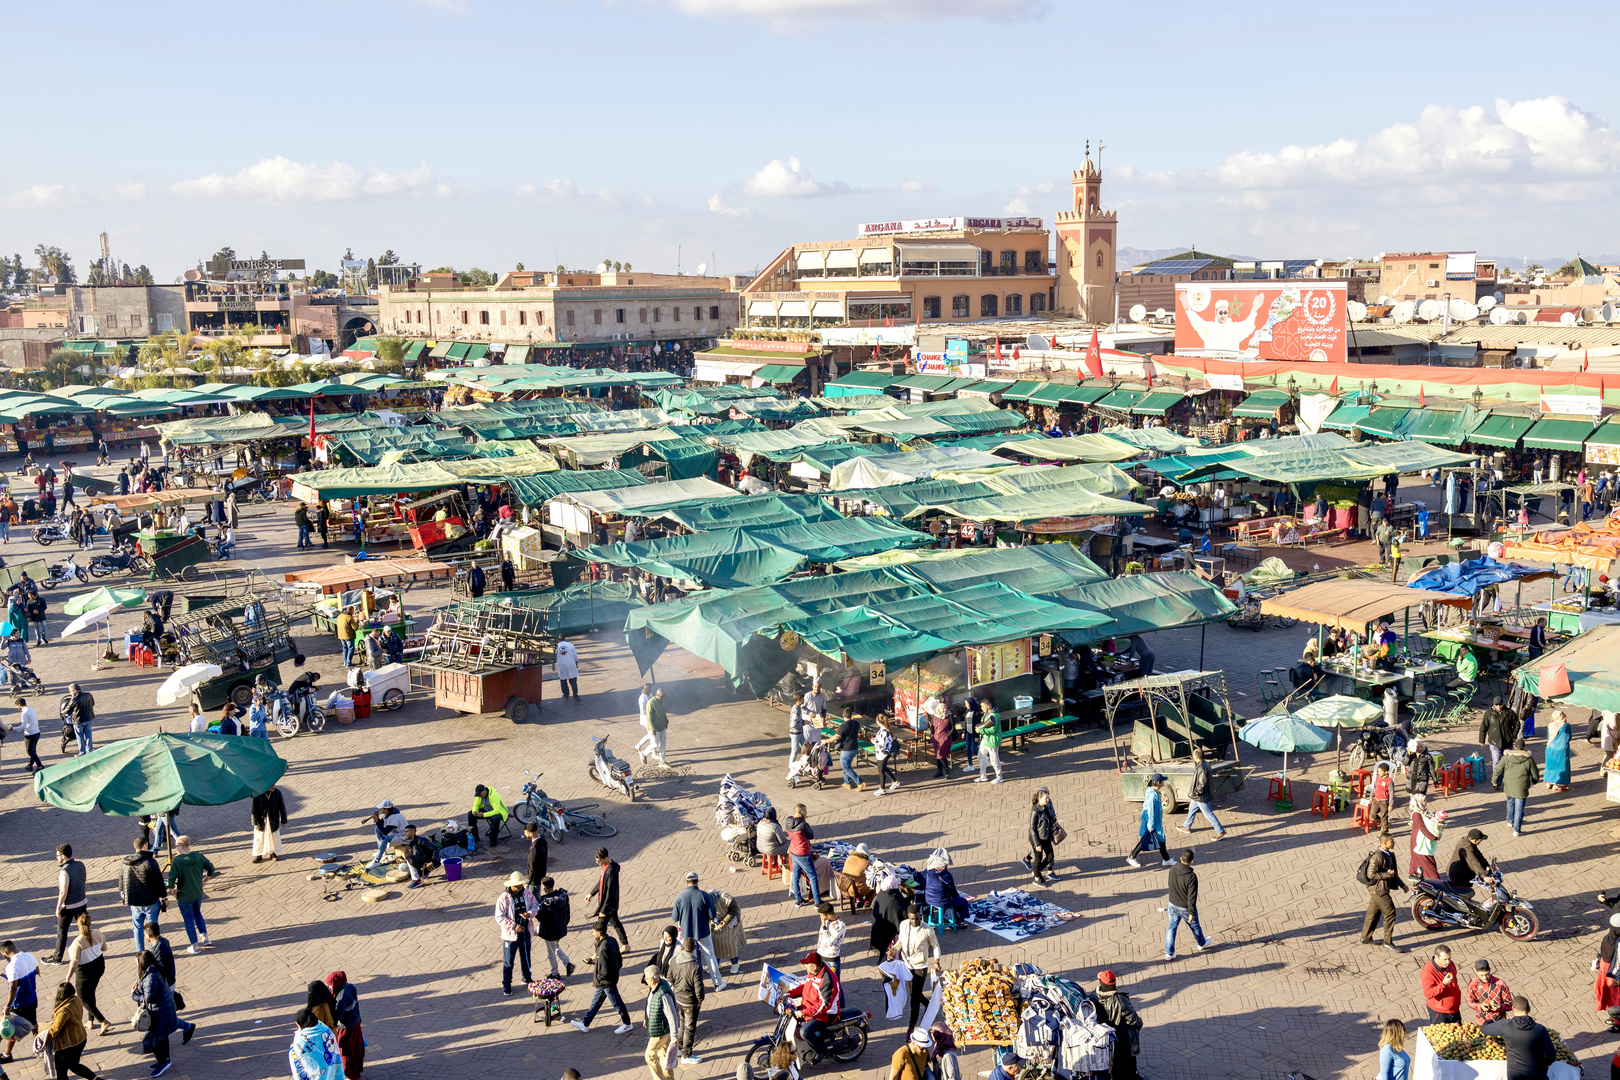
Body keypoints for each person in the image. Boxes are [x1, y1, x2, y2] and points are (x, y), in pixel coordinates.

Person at [132, 948, 189, 1077]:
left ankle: (163, 1062)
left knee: (156, 1039)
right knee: (161, 1037)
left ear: (142, 962)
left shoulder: (150, 976)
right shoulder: (153, 970)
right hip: (163, 1010)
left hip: (160, 1011)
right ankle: (163, 1060)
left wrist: (134, 995)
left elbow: (149, 998)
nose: (135, 963)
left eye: (136, 961)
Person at [570, 922, 634, 1034]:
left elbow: (605, 969)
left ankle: (627, 1023)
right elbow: (619, 959)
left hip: (606, 981)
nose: (592, 933)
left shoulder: (604, 948)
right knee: (595, 1002)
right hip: (606, 980)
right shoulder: (611, 940)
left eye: (593, 931)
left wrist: (599, 978)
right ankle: (585, 1023)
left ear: (599, 933)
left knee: (616, 1002)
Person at [1480, 996, 1558, 1080]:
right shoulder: (1540, 1029)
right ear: (1529, 1009)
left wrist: (1489, 1021)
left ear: (1513, 1009)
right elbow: (1551, 1056)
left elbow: (1484, 1029)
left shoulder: (1505, 1026)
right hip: (1537, 1075)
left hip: (1515, 1076)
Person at [783, 951, 841, 1064]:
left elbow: (824, 1005)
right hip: (813, 1007)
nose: (805, 966)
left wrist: (804, 1012)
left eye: (806, 964)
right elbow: (806, 986)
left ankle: (821, 1051)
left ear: (814, 966)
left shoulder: (827, 981)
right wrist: (790, 993)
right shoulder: (814, 972)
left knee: (805, 1031)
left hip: (827, 1014)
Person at [670, 871, 724, 991]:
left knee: (690, 959)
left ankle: (691, 985)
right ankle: (717, 983)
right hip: (703, 932)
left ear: (686, 882)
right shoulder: (704, 896)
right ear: (697, 881)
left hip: (687, 934)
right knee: (710, 956)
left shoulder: (679, 897)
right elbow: (712, 915)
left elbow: (674, 918)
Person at [892, 904, 941, 1036]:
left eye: (917, 919)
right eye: (912, 919)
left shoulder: (927, 930)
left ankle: (911, 1027)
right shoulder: (903, 925)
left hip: (920, 966)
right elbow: (900, 941)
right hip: (907, 965)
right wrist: (894, 949)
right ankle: (928, 1004)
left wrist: (936, 961)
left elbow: (935, 946)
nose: (915, 922)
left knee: (914, 999)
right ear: (908, 917)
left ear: (920, 916)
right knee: (911, 993)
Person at [166, 837, 216, 954]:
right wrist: (204, 880)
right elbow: (211, 869)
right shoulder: (198, 856)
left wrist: (173, 892)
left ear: (182, 846)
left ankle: (194, 946)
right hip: (197, 892)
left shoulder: (177, 861)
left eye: (176, 845)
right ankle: (205, 937)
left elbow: (171, 880)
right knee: (197, 913)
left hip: (184, 895)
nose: (175, 847)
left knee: (188, 919)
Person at [1359, 830, 1407, 952]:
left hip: (1379, 890)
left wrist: (1402, 885)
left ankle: (1366, 937)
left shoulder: (1388, 854)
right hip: (1379, 890)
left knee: (1372, 914)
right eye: (1391, 841)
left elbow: (1393, 873)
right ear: (1385, 843)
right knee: (1390, 913)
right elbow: (1371, 874)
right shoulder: (1377, 856)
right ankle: (1387, 942)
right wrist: (1387, 875)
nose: (1393, 842)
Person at [64, 913, 111, 1035]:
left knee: (83, 998)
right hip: (99, 967)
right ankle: (90, 1021)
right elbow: (104, 948)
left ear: (78, 926)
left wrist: (68, 977)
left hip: (84, 972)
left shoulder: (77, 943)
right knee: (91, 993)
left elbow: (74, 962)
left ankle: (103, 1021)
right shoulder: (98, 933)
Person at [1093, 970, 1143, 1080]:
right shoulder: (1120, 1000)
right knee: (1124, 1062)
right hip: (1121, 1038)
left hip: (1102, 1037)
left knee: (1110, 1063)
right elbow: (1135, 1020)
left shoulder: (1093, 997)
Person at [120, 836, 166, 954]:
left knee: (137, 927)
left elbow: (121, 881)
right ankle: (154, 949)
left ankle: (140, 951)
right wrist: (163, 896)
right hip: (150, 900)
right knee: (152, 926)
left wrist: (123, 896)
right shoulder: (150, 862)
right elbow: (158, 881)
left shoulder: (125, 863)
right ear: (145, 845)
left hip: (134, 900)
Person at [1165, 849, 1212, 960]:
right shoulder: (1191, 876)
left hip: (1172, 903)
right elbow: (1192, 897)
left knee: (1171, 928)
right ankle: (1201, 943)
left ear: (1181, 859)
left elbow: (1170, 884)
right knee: (1195, 925)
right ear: (1192, 861)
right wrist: (1192, 912)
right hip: (1184, 907)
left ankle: (1169, 953)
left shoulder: (1173, 869)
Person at [496, 872, 538, 997]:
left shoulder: (527, 893)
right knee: (509, 961)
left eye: (520, 885)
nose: (519, 888)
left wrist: (529, 914)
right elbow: (499, 917)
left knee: (526, 956)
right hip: (510, 935)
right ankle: (507, 985)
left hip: (525, 931)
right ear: (511, 885)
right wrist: (514, 926)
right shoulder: (503, 898)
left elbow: (536, 905)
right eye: (517, 886)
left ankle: (526, 978)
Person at [48, 843, 90, 965]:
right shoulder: (80, 865)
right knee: (84, 928)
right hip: (82, 902)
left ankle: (57, 958)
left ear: (63, 855)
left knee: (62, 932)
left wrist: (58, 907)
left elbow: (63, 892)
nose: (56, 858)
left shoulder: (64, 872)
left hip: (69, 906)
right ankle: (90, 951)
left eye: (57, 855)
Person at [1493, 735, 1540, 837]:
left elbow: (1498, 770)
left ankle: (1510, 821)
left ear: (1514, 747)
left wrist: (1494, 780)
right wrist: (1535, 781)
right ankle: (1516, 830)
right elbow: (1535, 773)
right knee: (1519, 809)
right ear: (1523, 748)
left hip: (1509, 786)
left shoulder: (1506, 758)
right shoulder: (1529, 760)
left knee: (1510, 803)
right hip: (1521, 788)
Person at [667, 941, 705, 1066]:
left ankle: (680, 1047)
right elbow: (698, 987)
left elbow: (669, 979)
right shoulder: (695, 965)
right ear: (694, 948)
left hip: (678, 998)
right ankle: (687, 1055)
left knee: (682, 1023)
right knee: (690, 1028)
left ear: (683, 948)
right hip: (690, 1001)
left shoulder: (674, 961)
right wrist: (700, 1000)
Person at [1, 940, 39, 1061]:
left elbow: (12, 989)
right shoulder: (29, 956)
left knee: (8, 1029)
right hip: (32, 998)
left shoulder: (11, 967)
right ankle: (41, 1048)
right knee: (34, 1025)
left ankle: (7, 1055)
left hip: (19, 1004)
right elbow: (37, 971)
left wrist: (7, 1007)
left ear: (5, 952)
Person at [1177, 747, 1227, 838]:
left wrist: (1196, 792)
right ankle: (1186, 826)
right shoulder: (1205, 764)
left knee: (1208, 813)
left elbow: (1202, 783)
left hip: (1201, 796)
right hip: (1199, 795)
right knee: (1192, 808)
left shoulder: (1201, 768)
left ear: (1196, 757)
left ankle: (1220, 831)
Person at [1126, 774, 1170, 869]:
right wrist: (1151, 826)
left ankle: (1166, 859)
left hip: (1155, 822)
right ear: (1159, 783)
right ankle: (1132, 857)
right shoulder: (1152, 796)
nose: (1164, 782)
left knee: (1161, 839)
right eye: (1162, 781)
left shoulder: (1155, 792)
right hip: (1152, 823)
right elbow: (1151, 813)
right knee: (1146, 840)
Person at [324, 972, 363, 1079]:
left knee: (346, 1052)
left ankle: (349, 1075)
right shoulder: (350, 987)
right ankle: (355, 1071)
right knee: (356, 1048)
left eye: (330, 984)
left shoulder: (341, 995)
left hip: (345, 1028)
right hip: (356, 1023)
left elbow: (338, 1014)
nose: (329, 987)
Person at [289, 1007, 343, 1080]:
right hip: (329, 1070)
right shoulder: (324, 1029)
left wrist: (292, 1049)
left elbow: (297, 1056)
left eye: (297, 1024)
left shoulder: (301, 1039)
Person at [588, 847, 629, 946]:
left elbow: (610, 893)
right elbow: (601, 881)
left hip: (608, 905)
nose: (597, 863)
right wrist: (591, 893)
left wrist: (603, 910)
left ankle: (598, 951)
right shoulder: (605, 867)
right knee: (615, 923)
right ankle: (625, 944)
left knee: (599, 927)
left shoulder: (611, 871)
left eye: (599, 860)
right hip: (607, 904)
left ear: (605, 858)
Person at [536, 877, 574, 979]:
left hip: (550, 931)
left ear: (544, 887)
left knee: (551, 952)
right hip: (561, 928)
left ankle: (555, 973)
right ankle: (567, 963)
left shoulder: (545, 902)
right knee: (555, 946)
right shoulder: (562, 895)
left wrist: (536, 912)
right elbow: (568, 912)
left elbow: (541, 918)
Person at [786, 805, 820, 906]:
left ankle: (799, 899)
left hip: (793, 851)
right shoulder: (803, 825)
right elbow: (811, 836)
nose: (806, 813)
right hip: (803, 852)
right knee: (813, 877)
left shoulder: (788, 821)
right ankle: (817, 902)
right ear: (800, 813)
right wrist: (806, 823)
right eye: (805, 811)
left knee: (796, 876)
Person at [923, 853, 970, 924]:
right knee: (963, 901)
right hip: (942, 901)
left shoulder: (928, 872)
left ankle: (947, 917)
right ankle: (958, 921)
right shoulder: (946, 875)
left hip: (929, 899)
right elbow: (953, 891)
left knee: (948, 899)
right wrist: (957, 896)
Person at [1466, 959, 1514, 1026]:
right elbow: (1470, 1002)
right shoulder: (1473, 983)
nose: (1485, 977)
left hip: (1499, 1023)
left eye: (1487, 974)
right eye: (1481, 975)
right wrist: (1480, 1006)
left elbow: (1510, 1005)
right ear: (1476, 972)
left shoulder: (1500, 984)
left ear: (1490, 970)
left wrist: (1500, 1007)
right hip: (1481, 1023)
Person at [708, 888, 744, 978]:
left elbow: (734, 909)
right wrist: (715, 921)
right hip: (716, 922)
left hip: (731, 921)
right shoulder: (705, 900)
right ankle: (717, 964)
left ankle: (735, 964)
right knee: (715, 942)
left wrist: (725, 921)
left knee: (730, 943)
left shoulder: (726, 898)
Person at [1422, 946, 1463, 1023]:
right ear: (1436, 957)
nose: (1448, 962)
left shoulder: (1450, 964)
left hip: (1454, 1009)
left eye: (1449, 958)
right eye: (1445, 959)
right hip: (1440, 1012)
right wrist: (1443, 984)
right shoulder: (1428, 971)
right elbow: (1428, 994)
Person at [1409, 799, 1445, 881]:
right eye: (1424, 800)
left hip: (1423, 838)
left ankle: (1416, 874)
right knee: (1427, 860)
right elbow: (1423, 828)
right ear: (1418, 802)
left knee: (1420, 859)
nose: (1426, 802)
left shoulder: (1424, 811)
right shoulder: (1416, 814)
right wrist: (1433, 837)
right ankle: (1435, 880)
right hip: (1420, 841)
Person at [1449, 829, 1491, 897]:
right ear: (1475, 840)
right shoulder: (1467, 847)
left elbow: (1478, 854)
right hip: (1459, 875)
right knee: (1463, 895)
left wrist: (1486, 865)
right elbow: (1473, 862)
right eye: (1481, 839)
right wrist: (1484, 876)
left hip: (1464, 873)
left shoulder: (1468, 841)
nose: (1481, 841)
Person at [251, 784, 287, 862]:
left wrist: (284, 820)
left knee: (273, 837)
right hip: (261, 820)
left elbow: (282, 807)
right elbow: (254, 810)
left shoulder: (277, 793)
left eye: (274, 785)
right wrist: (255, 822)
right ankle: (258, 855)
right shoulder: (258, 793)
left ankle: (273, 853)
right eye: (271, 785)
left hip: (273, 820)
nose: (273, 787)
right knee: (259, 838)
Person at [1029, 787, 1058, 885]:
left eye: (1048, 798)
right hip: (1037, 838)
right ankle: (1036, 879)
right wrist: (1037, 844)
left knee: (1050, 856)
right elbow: (1032, 828)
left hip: (1045, 836)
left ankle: (1037, 871)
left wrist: (1052, 827)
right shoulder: (1035, 811)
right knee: (1038, 858)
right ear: (1040, 798)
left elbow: (1050, 819)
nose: (1048, 800)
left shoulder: (1046, 808)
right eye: (1046, 798)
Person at [1479, 697, 1518, 770]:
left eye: (1500, 705)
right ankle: (1496, 780)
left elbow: (1517, 724)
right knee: (1496, 761)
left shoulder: (1510, 713)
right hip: (1494, 742)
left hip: (1507, 742)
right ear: (1494, 704)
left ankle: (1506, 778)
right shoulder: (1488, 714)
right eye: (1497, 705)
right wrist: (1482, 739)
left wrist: (1513, 736)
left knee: (1507, 761)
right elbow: (1484, 727)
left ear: (1503, 703)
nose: (1499, 707)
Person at [396, 825, 438, 889]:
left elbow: (436, 849)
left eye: (407, 831)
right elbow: (416, 857)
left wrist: (432, 862)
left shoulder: (421, 840)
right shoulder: (412, 842)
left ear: (413, 832)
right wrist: (403, 860)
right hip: (421, 863)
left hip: (428, 863)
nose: (405, 833)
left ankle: (417, 881)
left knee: (410, 858)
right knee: (402, 867)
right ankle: (422, 874)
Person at [369, 800, 409, 867]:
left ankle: (376, 861)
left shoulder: (394, 818)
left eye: (381, 808)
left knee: (385, 838)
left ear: (386, 809)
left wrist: (376, 821)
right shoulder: (387, 814)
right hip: (397, 834)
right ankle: (381, 851)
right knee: (377, 829)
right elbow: (381, 825)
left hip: (403, 837)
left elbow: (385, 832)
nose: (380, 809)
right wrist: (377, 819)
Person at [467, 784, 507, 849]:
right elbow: (475, 805)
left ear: (484, 791)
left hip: (499, 812)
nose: (480, 796)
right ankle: (474, 836)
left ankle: (493, 840)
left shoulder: (494, 795)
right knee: (470, 814)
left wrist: (483, 814)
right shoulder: (478, 796)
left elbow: (497, 810)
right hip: (487, 810)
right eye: (479, 795)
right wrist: (475, 811)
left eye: (481, 795)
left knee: (495, 818)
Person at [835, 708, 864, 790]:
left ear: (843, 716)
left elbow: (837, 736)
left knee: (846, 767)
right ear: (852, 716)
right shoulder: (856, 723)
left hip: (846, 749)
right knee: (848, 765)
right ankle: (847, 782)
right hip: (854, 747)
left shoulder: (843, 726)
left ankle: (859, 782)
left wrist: (826, 741)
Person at [1544, 710, 1572, 791]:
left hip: (1550, 747)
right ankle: (1559, 783)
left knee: (1550, 765)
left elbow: (1548, 736)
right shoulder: (1566, 726)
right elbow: (1569, 737)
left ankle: (1549, 782)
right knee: (1561, 766)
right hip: (1562, 749)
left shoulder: (1550, 725)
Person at [976, 700, 1003, 784]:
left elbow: (993, 729)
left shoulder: (994, 715)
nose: (981, 708)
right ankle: (983, 776)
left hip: (992, 740)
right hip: (985, 739)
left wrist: (980, 730)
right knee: (980, 756)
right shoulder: (986, 714)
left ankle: (999, 777)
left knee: (994, 759)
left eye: (983, 706)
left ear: (988, 706)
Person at [61, 684, 93, 754]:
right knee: (88, 735)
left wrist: (63, 712)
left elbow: (67, 710)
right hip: (89, 718)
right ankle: (89, 751)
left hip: (78, 721)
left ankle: (81, 752)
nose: (70, 693)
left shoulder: (74, 699)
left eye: (70, 691)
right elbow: (92, 703)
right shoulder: (88, 695)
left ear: (75, 691)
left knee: (79, 736)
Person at [13, 696, 41, 773]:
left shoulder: (24, 713)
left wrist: (13, 728)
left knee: (30, 751)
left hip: (30, 734)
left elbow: (23, 726)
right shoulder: (32, 709)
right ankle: (30, 765)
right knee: (33, 750)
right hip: (37, 732)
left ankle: (40, 766)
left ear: (19, 705)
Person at [873, 715, 899, 795]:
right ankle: (895, 781)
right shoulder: (885, 730)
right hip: (883, 753)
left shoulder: (884, 731)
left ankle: (882, 788)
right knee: (883, 768)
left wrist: (874, 742)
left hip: (883, 754)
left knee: (881, 771)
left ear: (878, 722)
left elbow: (882, 744)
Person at [645, 687, 670, 766]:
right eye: (661, 697)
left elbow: (663, 712)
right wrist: (652, 730)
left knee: (663, 744)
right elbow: (649, 718)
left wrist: (666, 722)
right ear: (657, 695)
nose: (662, 698)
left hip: (662, 726)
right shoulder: (650, 703)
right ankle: (644, 753)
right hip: (655, 728)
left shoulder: (662, 701)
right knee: (655, 744)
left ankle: (662, 761)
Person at [524, 821, 548, 892]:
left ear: (531, 834)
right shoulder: (542, 839)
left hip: (535, 880)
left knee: (534, 899)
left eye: (525, 833)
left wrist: (528, 882)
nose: (524, 834)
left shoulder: (534, 848)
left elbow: (532, 867)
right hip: (541, 874)